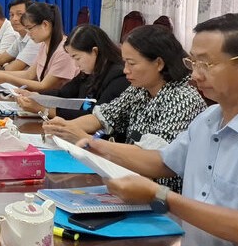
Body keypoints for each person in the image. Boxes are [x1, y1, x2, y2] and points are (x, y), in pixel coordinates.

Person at [81, 14, 238, 246]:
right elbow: (165, 162)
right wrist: (99, 148)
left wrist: (161, 196)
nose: (195, 75)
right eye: (192, 63)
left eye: (206, 64)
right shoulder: (209, 117)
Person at [44, 24, 206, 192]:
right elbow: (104, 116)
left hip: (160, 195)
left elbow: (155, 160)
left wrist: (89, 141)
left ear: (158, 63)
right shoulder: (140, 89)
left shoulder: (183, 98)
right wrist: (64, 128)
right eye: (125, 62)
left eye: (131, 63)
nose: (126, 70)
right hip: (129, 179)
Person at [16, 24, 129, 120]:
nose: (76, 64)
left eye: (77, 58)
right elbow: (64, 94)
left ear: (94, 51)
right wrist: (36, 96)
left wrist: (43, 109)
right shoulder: (89, 71)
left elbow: (95, 117)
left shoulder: (118, 77)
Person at [0, 2, 79, 92]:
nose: (28, 33)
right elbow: (29, 74)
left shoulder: (64, 51)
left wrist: (5, 78)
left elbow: (44, 86)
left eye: (30, 28)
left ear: (45, 24)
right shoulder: (44, 44)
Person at [0, 0, 42, 71]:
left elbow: (12, 68)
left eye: (20, 14)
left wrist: (5, 65)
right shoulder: (20, 38)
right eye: (11, 15)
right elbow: (1, 58)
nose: (14, 19)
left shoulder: (36, 39)